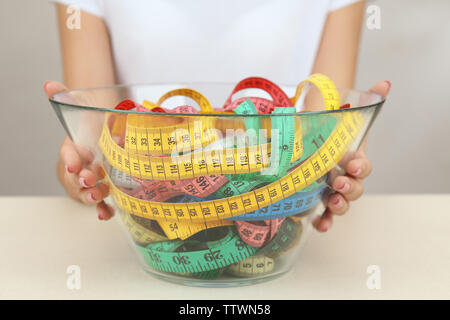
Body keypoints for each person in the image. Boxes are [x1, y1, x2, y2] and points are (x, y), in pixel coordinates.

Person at [44, 0, 391, 232]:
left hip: (278, 216)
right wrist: (84, 168)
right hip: (154, 221)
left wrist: (333, 160)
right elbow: (94, 137)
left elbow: (322, 129)